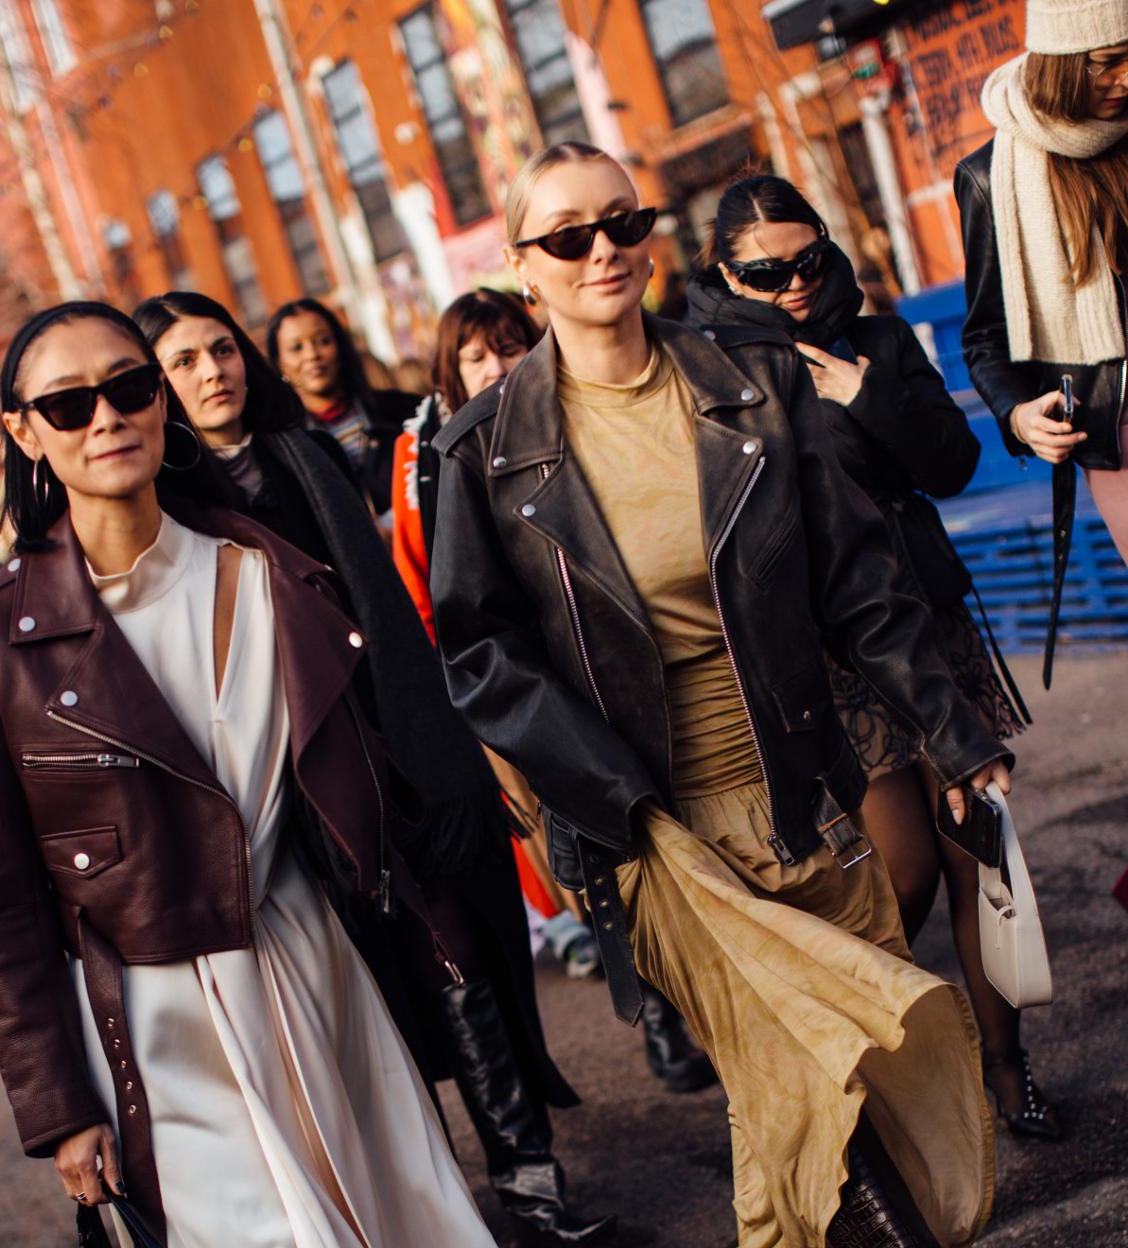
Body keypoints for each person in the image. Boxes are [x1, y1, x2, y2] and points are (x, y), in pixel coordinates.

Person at [430, 140, 1015, 1248]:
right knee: (790, 1067)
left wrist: (954, 733)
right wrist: (607, 797)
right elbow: (481, 658)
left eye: (623, 223)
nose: (603, 251)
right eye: (568, 237)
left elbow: (859, 582)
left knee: (857, 1065)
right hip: (654, 825)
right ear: (523, 265)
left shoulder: (755, 381)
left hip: (803, 784)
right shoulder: (483, 453)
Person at [0, 300, 497, 1248]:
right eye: (69, 405)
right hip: (158, 1025)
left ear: (161, 401)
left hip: (316, 961)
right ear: (24, 433)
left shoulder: (267, 568)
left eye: (128, 388)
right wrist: (59, 1107)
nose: (107, 418)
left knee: (400, 1218)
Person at [135, 289, 615, 1246]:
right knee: (369, 1007)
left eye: (220, 350)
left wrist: (442, 750)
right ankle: (429, 1210)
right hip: (283, 780)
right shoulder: (171, 504)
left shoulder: (305, 456)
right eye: (183, 362)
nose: (212, 372)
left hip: (392, 745)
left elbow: (384, 609)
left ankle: (530, 1185)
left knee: (463, 957)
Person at [684, 173, 1055, 1140]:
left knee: (977, 859)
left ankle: (1006, 1070)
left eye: (807, 260)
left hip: (926, 620)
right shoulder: (706, 368)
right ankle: (885, 1077)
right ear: (723, 273)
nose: (795, 283)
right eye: (765, 274)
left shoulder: (879, 341)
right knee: (905, 873)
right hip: (828, 650)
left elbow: (953, 465)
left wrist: (865, 395)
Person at [393, 286, 714, 1095]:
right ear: (448, 373)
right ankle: (659, 1011)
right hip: (522, 699)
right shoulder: (431, 460)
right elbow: (431, 601)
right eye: (474, 355)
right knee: (590, 860)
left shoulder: (576, 414)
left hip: (622, 669)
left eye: (509, 345)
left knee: (672, 837)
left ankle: (696, 1003)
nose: (495, 366)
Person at [957, 0, 1128, 684]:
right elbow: (985, 336)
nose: (1125, 78)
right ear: (1061, 62)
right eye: (1108, 62)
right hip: (1116, 434)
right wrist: (1017, 414)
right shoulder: (989, 176)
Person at [265, 298, 421, 530]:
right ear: (279, 363)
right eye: (296, 348)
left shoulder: (406, 413)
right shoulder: (281, 448)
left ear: (340, 346)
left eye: (323, 341)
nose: (312, 354)